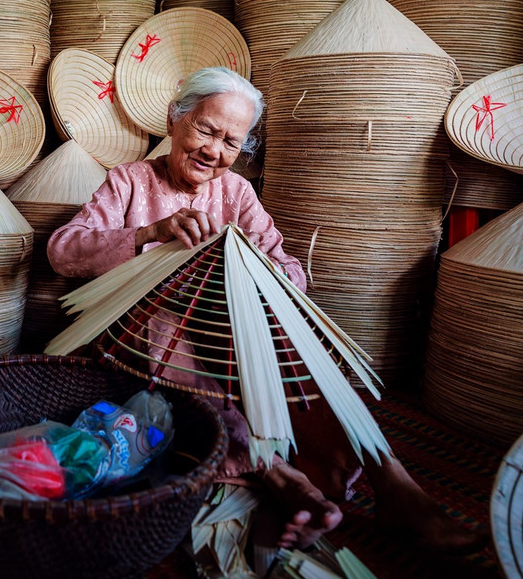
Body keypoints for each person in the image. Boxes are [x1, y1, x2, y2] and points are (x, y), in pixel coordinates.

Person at [47, 66, 487, 554]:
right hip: (141, 334)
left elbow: (291, 272)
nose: (214, 151)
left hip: (228, 328)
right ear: (175, 119)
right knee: (167, 326)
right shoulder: (129, 181)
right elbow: (63, 251)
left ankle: (393, 483)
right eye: (205, 129)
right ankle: (275, 474)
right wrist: (152, 233)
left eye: (231, 142)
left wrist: (251, 268)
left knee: (296, 344)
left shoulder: (237, 193)